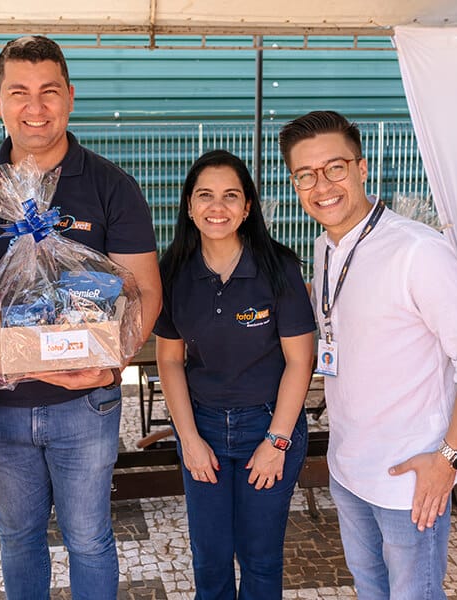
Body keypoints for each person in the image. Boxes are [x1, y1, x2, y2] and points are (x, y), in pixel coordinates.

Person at [0, 36, 162, 599]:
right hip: (0, 406)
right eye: (19, 92)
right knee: (18, 538)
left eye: (48, 92)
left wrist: (107, 366)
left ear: (70, 97)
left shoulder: (113, 186)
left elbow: (147, 294)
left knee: (89, 538)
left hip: (86, 405)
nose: (34, 107)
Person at [279, 110, 457, 599]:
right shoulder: (325, 248)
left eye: (335, 168)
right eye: (306, 174)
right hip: (349, 468)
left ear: (362, 168)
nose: (322, 185)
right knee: (370, 588)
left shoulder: (418, 251)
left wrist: (448, 459)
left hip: (411, 478)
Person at [153, 150, 316, 599]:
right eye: (205, 196)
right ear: (189, 206)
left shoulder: (278, 268)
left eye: (230, 196)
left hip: (267, 425)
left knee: (260, 558)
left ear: (247, 207)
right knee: (210, 558)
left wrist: (276, 441)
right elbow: (170, 360)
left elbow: (301, 361)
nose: (217, 207)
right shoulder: (172, 273)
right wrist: (188, 439)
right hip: (202, 426)